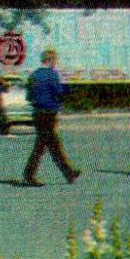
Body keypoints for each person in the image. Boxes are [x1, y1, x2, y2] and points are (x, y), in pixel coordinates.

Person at [23, 49, 78, 186]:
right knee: (43, 146)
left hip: (37, 113)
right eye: (55, 60)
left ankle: (69, 172)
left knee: (52, 145)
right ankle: (29, 175)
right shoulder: (52, 75)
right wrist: (66, 89)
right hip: (49, 113)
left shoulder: (34, 75)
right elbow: (58, 92)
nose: (56, 63)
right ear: (51, 60)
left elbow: (28, 96)